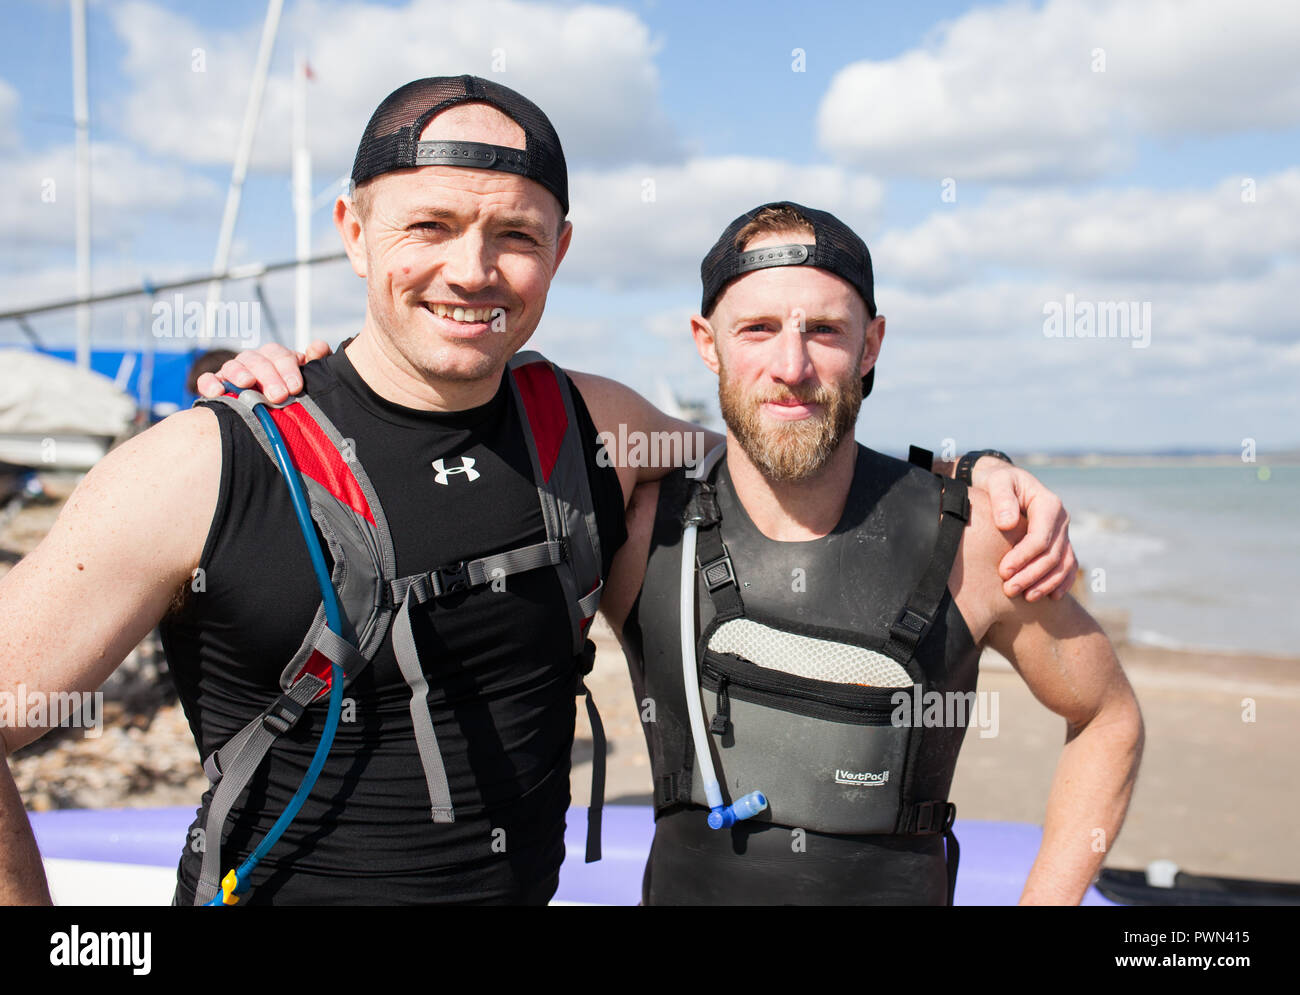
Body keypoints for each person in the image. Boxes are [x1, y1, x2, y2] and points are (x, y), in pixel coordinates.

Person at [1, 76, 1074, 907]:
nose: (472, 269)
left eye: (514, 235)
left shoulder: (591, 427)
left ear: (558, 250)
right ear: (352, 228)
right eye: (428, 226)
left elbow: (786, 448)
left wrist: (975, 474)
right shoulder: (207, 462)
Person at [593, 202, 1144, 905]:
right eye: (757, 329)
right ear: (708, 342)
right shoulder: (646, 529)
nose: (791, 366)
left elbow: (1107, 714)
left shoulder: (971, 541)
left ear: (871, 344)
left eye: (824, 330)